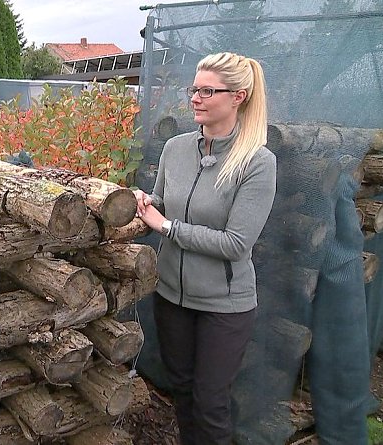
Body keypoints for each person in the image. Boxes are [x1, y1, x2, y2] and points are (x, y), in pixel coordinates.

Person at [133, 52, 276, 444]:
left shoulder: (257, 162)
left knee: (211, 404)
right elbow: (163, 202)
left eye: (207, 90)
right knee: (180, 388)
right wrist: (146, 203)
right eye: (193, 89)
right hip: (172, 298)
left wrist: (165, 226)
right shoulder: (176, 149)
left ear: (238, 97)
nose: (195, 97)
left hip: (223, 306)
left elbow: (236, 244)